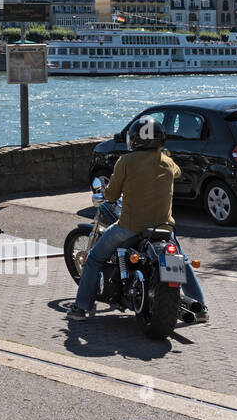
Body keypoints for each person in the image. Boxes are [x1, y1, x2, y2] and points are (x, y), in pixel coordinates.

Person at [68, 116, 208, 323]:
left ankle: (80, 308)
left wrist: (105, 194)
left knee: (94, 259)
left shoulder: (125, 162)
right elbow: (177, 172)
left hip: (130, 226)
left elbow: (112, 195)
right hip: (164, 227)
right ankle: (201, 309)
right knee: (183, 262)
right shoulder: (168, 162)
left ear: (133, 140)